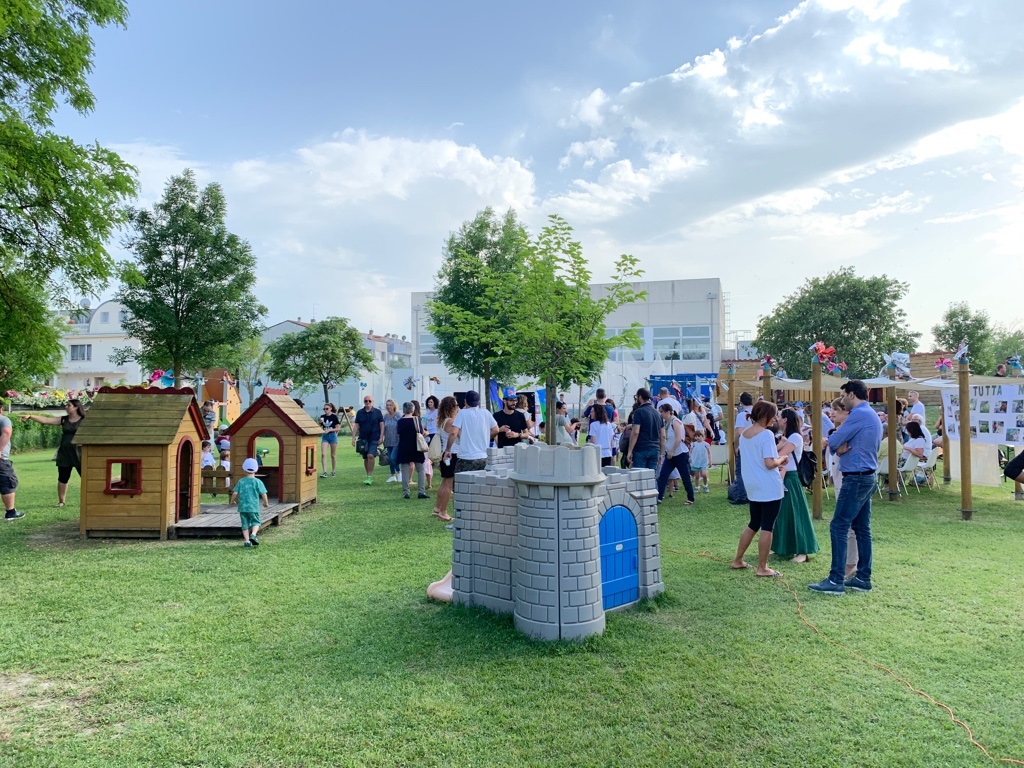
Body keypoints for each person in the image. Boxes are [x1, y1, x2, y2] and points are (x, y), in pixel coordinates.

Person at [809, 379, 882, 595]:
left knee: (839, 525)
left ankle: (835, 580)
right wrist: (840, 446)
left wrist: (838, 445)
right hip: (867, 477)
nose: (841, 401)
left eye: (842, 396)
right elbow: (838, 442)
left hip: (856, 478)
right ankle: (862, 577)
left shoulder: (859, 414)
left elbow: (833, 440)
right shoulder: (870, 414)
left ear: (851, 394)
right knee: (861, 528)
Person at [731, 401, 788, 577]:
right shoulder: (766, 435)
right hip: (768, 485)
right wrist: (782, 459)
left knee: (753, 523)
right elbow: (770, 463)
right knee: (767, 526)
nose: (776, 418)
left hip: (752, 485)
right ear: (766, 416)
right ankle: (762, 567)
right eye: (774, 415)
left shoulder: (745, 434)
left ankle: (738, 560)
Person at [772, 408, 820, 564]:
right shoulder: (787, 437)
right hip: (782, 476)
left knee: (796, 513)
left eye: (779, 417)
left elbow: (779, 456)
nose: (777, 420)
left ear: (785, 419)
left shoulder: (795, 437)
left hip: (790, 478)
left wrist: (779, 445)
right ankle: (783, 547)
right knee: (782, 513)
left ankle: (802, 551)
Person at [20, 398, 86, 508]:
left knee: (86, 478)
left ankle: (92, 500)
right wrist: (30, 416)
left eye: (68, 405)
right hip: (65, 454)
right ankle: (61, 502)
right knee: (63, 478)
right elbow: (46, 420)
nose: (66, 407)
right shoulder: (64, 420)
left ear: (76, 407)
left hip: (80, 454)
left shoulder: (85, 420)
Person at [447, 390, 498, 474]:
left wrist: (448, 449)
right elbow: (496, 430)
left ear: (465, 401)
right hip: (483, 457)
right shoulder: (486, 412)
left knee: (462, 485)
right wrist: (486, 437)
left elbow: (453, 432)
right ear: (478, 402)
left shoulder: (462, 413)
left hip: (466, 458)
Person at [655, 402, 694, 505]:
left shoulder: (675, 421)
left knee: (685, 476)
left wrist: (672, 450)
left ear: (668, 412)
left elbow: (679, 438)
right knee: (663, 475)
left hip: (680, 454)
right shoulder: (665, 423)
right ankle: (658, 498)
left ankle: (691, 498)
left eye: (662, 412)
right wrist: (665, 453)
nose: (661, 414)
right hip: (670, 455)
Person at [231, 457, 269, 547]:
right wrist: (266, 502)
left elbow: (235, 492)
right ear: (256, 470)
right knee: (256, 522)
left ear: (244, 469)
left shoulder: (241, 481)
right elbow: (263, 493)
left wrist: (232, 501)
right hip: (253, 507)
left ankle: (247, 541)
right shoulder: (258, 482)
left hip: (243, 508)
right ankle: (254, 534)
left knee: (245, 525)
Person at [432, 396, 459, 521]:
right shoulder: (451, 422)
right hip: (452, 454)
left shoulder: (443, 421)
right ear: (452, 407)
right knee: (449, 484)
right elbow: (457, 434)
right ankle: (443, 511)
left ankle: (437, 508)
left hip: (445, 454)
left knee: (444, 483)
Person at [396, 402, 427, 500]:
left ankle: (406, 492)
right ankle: (421, 491)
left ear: (404, 410)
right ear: (413, 410)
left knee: (405, 470)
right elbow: (421, 432)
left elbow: (399, 432)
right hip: (416, 446)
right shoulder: (417, 419)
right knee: (421, 469)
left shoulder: (400, 421)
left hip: (404, 447)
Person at [352, 395, 384, 485]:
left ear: (373, 402)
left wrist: (381, 437)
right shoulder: (360, 412)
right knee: (365, 457)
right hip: (363, 438)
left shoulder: (377, 412)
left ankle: (369, 476)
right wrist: (353, 437)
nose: (368, 402)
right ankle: (367, 475)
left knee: (370, 455)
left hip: (374, 437)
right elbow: (356, 425)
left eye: (369, 401)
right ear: (364, 402)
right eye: (366, 401)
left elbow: (381, 425)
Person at [626, 388, 661, 470]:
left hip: (641, 449)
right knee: (651, 478)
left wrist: (630, 451)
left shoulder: (639, 412)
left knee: (639, 477)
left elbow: (635, 432)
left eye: (636, 397)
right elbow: (662, 435)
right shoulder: (658, 413)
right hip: (655, 449)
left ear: (640, 397)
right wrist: (661, 453)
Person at [0, 398, 23, 521]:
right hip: (1, 460)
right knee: (7, 483)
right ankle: (11, 512)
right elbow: (6, 432)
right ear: (1, 409)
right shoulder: (3, 419)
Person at [412, 400, 433, 490]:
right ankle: (426, 484)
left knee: (425, 463)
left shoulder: (421, 418)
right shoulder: (421, 417)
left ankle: (427, 484)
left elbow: (424, 430)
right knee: (424, 464)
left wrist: (425, 432)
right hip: (420, 443)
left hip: (421, 443)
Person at [586, 402, 616, 467]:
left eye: (592, 412)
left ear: (597, 412)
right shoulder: (608, 424)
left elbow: (592, 441)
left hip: (597, 453)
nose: (590, 414)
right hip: (607, 453)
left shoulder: (593, 425)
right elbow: (611, 440)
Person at [318, 403, 341, 478]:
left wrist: (331, 429)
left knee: (333, 455)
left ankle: (333, 471)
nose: (325, 410)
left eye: (327, 408)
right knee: (323, 454)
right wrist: (320, 423)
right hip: (325, 436)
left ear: (330, 408)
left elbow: (338, 428)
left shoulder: (334, 417)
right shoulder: (322, 417)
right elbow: (319, 427)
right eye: (324, 409)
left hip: (332, 436)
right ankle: (324, 472)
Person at [382, 400, 401, 483]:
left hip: (397, 440)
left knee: (393, 457)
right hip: (388, 440)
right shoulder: (385, 416)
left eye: (390, 405)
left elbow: (401, 426)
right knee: (390, 459)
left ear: (394, 406)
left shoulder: (397, 415)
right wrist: (382, 437)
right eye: (387, 405)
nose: (388, 407)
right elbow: (383, 427)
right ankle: (393, 475)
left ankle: (400, 473)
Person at [689, 428, 711, 493]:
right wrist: (690, 457)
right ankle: (697, 487)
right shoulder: (693, 444)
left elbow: (709, 453)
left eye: (699, 436)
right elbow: (690, 452)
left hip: (703, 462)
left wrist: (710, 461)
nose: (697, 438)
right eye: (696, 436)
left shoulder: (706, 444)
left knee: (704, 474)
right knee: (697, 476)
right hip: (696, 462)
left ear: (702, 436)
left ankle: (705, 485)